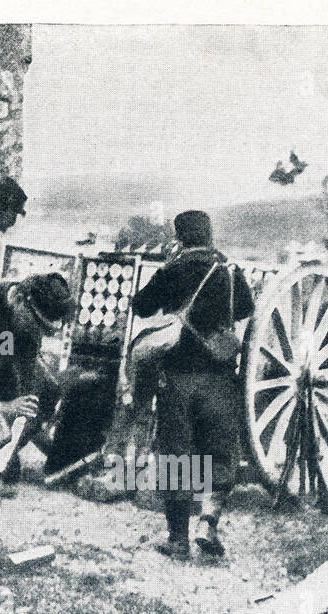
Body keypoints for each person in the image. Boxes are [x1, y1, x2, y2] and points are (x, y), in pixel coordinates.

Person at [132, 210, 254, 559]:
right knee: (219, 453)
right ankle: (208, 525)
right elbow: (246, 309)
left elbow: (140, 307)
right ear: (210, 234)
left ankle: (177, 540)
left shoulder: (173, 270)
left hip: (178, 379)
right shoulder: (229, 271)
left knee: (177, 457)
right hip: (219, 378)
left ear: (181, 237)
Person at [0, 272, 73, 489]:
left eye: (45, 331)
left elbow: (9, 365)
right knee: (7, 401)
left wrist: (23, 412)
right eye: (37, 325)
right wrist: (1, 407)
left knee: (46, 389)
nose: (38, 334)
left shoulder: (19, 325)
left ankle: (1, 456)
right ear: (19, 300)